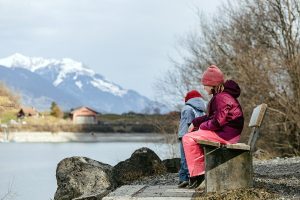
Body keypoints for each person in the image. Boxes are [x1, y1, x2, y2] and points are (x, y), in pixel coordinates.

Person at [182, 65, 244, 189]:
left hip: (226, 134)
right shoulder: (221, 96)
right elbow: (213, 117)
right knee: (191, 136)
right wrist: (196, 122)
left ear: (212, 84)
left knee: (188, 138)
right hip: (229, 132)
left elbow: (217, 122)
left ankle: (198, 176)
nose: (203, 87)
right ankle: (199, 174)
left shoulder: (222, 97)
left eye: (205, 84)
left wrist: (202, 127)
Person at [177, 90, 206, 188]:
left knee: (184, 158)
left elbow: (188, 123)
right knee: (193, 158)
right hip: (197, 136)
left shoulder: (187, 108)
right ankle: (193, 177)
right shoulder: (202, 110)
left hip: (185, 135)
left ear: (188, 99)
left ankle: (184, 178)